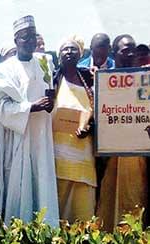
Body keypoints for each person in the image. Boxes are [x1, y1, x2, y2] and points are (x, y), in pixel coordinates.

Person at [0, 16, 59, 226]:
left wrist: (50, 103)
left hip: (42, 137)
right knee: (20, 189)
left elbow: (51, 94)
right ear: (16, 40)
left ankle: (45, 238)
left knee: (43, 183)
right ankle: (18, 237)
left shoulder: (45, 63)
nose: (31, 41)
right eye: (26, 37)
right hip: (19, 138)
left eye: (34, 36)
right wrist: (30, 107)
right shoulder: (4, 70)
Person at [97, 34, 145, 230]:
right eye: (125, 50)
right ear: (113, 53)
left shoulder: (145, 80)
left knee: (135, 200)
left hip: (138, 156)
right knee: (107, 201)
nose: (131, 54)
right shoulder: (102, 80)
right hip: (109, 156)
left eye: (134, 50)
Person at [51, 38, 96, 223]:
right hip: (57, 157)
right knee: (59, 210)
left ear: (81, 54)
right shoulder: (52, 79)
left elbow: (100, 111)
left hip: (83, 156)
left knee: (83, 212)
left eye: (73, 49)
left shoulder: (90, 79)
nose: (69, 52)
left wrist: (89, 127)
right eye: (65, 49)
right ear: (58, 54)